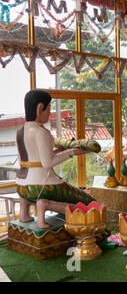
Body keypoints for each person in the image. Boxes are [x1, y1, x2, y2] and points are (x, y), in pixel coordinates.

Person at [16, 90, 94, 229]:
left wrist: (62, 149)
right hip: (42, 186)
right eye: (49, 107)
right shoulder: (42, 132)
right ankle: (45, 204)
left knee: (29, 192)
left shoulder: (20, 131)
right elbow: (48, 163)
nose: (50, 112)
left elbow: (35, 156)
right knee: (88, 203)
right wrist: (73, 152)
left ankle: (24, 212)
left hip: (22, 186)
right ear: (40, 108)